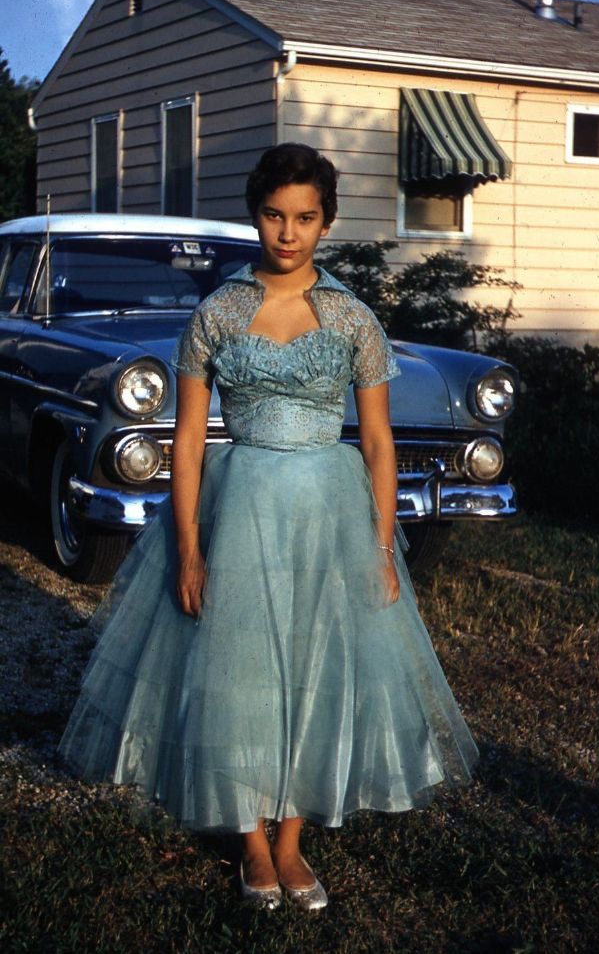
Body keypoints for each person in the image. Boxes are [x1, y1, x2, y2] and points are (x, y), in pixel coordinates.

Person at [58, 143, 479, 913]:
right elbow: (187, 442)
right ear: (257, 216)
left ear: (325, 224)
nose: (289, 233)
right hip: (242, 498)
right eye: (275, 216)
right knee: (243, 666)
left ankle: (291, 842)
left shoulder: (351, 316)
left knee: (315, 663)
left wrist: (382, 547)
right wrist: (188, 547)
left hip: (329, 506)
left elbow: (379, 443)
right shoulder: (217, 312)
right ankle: (251, 843)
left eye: (306, 219)